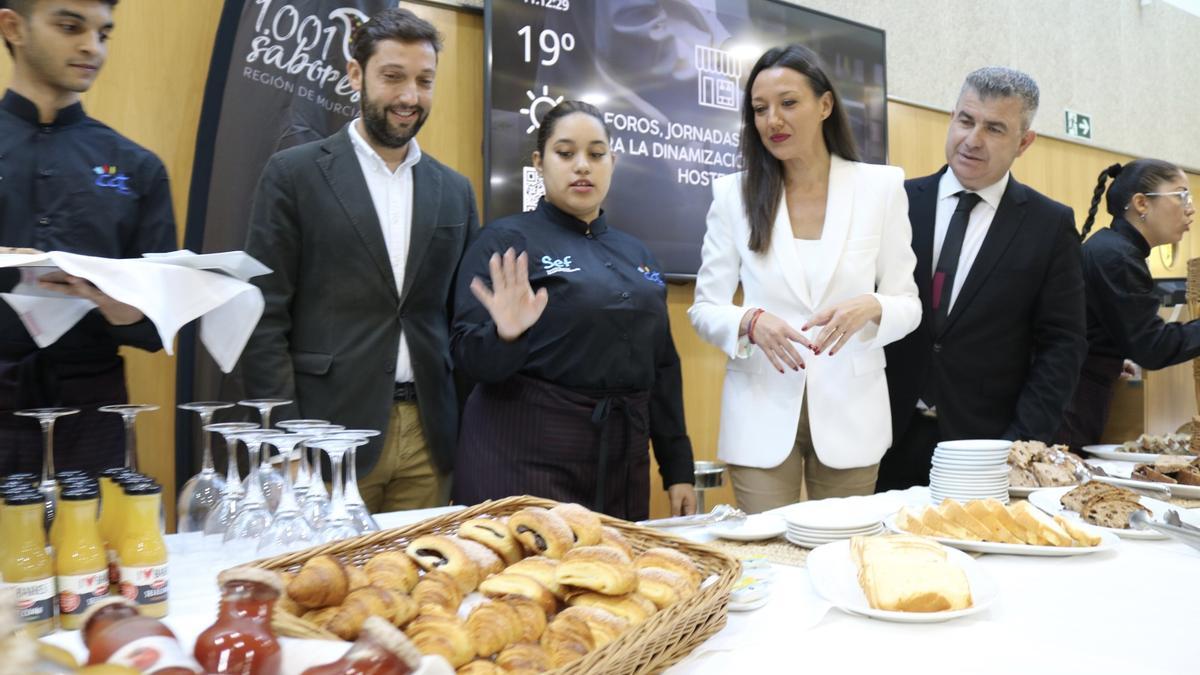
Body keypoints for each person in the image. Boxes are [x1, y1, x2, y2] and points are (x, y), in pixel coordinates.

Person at [242, 8, 477, 512]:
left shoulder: (456, 191)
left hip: (429, 438)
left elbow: (460, 319)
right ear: (355, 74)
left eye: (424, 80)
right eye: (393, 77)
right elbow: (261, 315)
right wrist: (285, 441)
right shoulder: (293, 174)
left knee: (418, 584)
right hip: (324, 435)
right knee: (326, 586)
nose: (409, 97)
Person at [688, 44, 920, 514]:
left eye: (788, 103)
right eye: (760, 109)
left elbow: (908, 302)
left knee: (841, 552)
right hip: (758, 410)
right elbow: (705, 307)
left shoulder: (880, 188)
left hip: (854, 413)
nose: (773, 119)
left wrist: (872, 306)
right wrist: (750, 320)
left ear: (825, 105)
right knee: (767, 554)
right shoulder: (733, 194)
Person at [451, 100, 697, 520]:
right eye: (565, 153)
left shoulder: (637, 253)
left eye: (596, 154)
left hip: (621, 461)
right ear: (539, 161)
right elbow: (464, 357)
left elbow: (662, 368)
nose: (582, 166)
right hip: (524, 459)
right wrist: (505, 336)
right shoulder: (505, 243)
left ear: (612, 163)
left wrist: (678, 469)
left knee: (610, 579)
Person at [877, 67, 1087, 492]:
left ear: (1024, 142)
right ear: (952, 117)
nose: (973, 139)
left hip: (987, 448)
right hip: (883, 437)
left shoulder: (1049, 225)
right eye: (966, 121)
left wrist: (1020, 444)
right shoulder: (893, 202)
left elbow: (1062, 345)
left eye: (994, 128)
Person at [0, 0, 175, 475]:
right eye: (70, 26)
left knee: (98, 549)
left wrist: (120, 307)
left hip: (94, 414)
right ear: (13, 27)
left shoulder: (139, 168)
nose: (91, 47)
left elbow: (160, 324)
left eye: (104, 34)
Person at [1057, 160, 1198, 449]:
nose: (1190, 208)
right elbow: (1152, 348)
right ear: (1141, 204)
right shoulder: (1118, 257)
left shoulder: (1112, 248)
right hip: (1068, 403)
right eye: (1181, 195)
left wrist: (1108, 356)